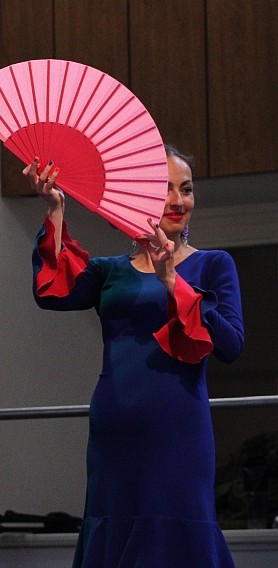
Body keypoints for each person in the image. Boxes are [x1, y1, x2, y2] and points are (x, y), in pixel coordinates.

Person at [25, 146, 244, 567]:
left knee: (175, 531)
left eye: (186, 189)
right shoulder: (111, 270)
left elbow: (231, 344)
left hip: (178, 431)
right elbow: (51, 292)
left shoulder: (214, 265)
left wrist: (172, 281)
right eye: (164, 189)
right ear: (139, 195)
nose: (178, 201)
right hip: (114, 431)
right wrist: (55, 208)